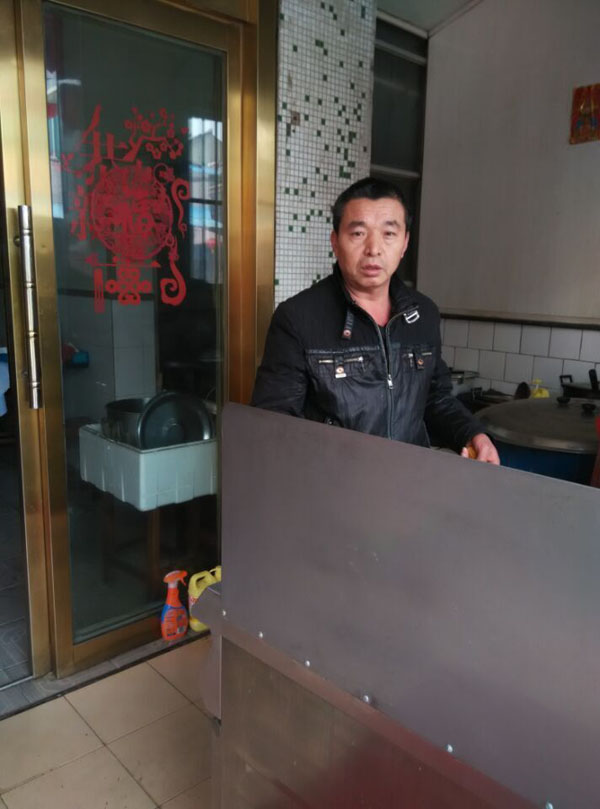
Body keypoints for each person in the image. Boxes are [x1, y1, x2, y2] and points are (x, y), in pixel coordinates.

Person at [252, 177, 499, 464]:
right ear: (335, 242)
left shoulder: (422, 314)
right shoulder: (298, 318)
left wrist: (473, 434)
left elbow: (435, 398)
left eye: (389, 233)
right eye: (358, 233)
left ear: (405, 243)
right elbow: (273, 425)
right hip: (332, 484)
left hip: (409, 480)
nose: (374, 248)